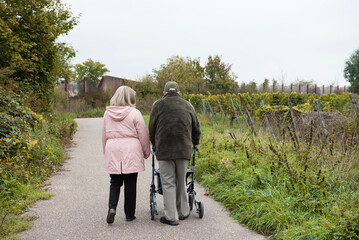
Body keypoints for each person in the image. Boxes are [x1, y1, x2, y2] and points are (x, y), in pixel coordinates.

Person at [149, 81, 201, 226]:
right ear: (178, 92)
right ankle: (183, 212)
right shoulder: (188, 105)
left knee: (168, 182)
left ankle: (171, 217)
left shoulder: (157, 105)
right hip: (183, 149)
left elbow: (152, 128)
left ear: (164, 93)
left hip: (164, 150)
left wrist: (154, 143)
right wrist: (195, 142)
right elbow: (196, 128)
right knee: (181, 180)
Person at [102, 86, 150, 224]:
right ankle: (129, 214)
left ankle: (112, 209)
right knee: (130, 183)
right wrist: (146, 151)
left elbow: (104, 136)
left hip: (113, 149)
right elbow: (142, 135)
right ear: (130, 97)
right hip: (131, 149)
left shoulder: (107, 114)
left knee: (115, 182)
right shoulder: (135, 113)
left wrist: (106, 152)